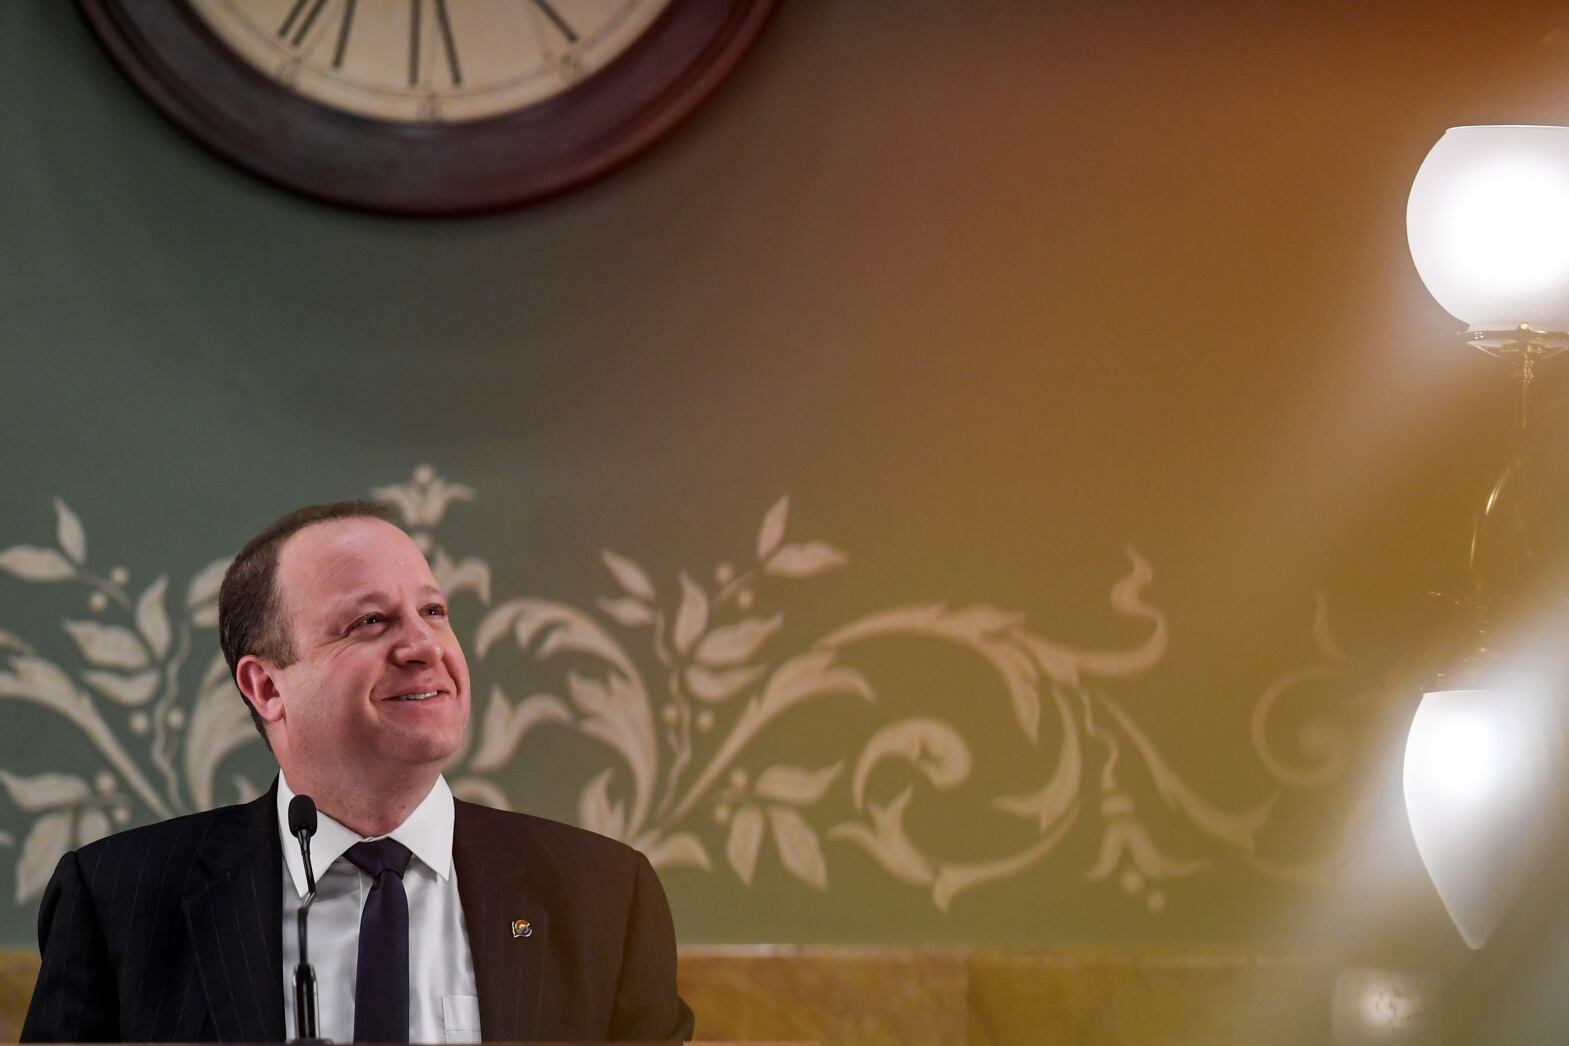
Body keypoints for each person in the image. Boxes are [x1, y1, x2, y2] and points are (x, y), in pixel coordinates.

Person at [20, 501, 694, 1043]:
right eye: (370, 622)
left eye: (433, 611)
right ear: (266, 687)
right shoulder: (117, 902)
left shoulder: (604, 893)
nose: (424, 645)